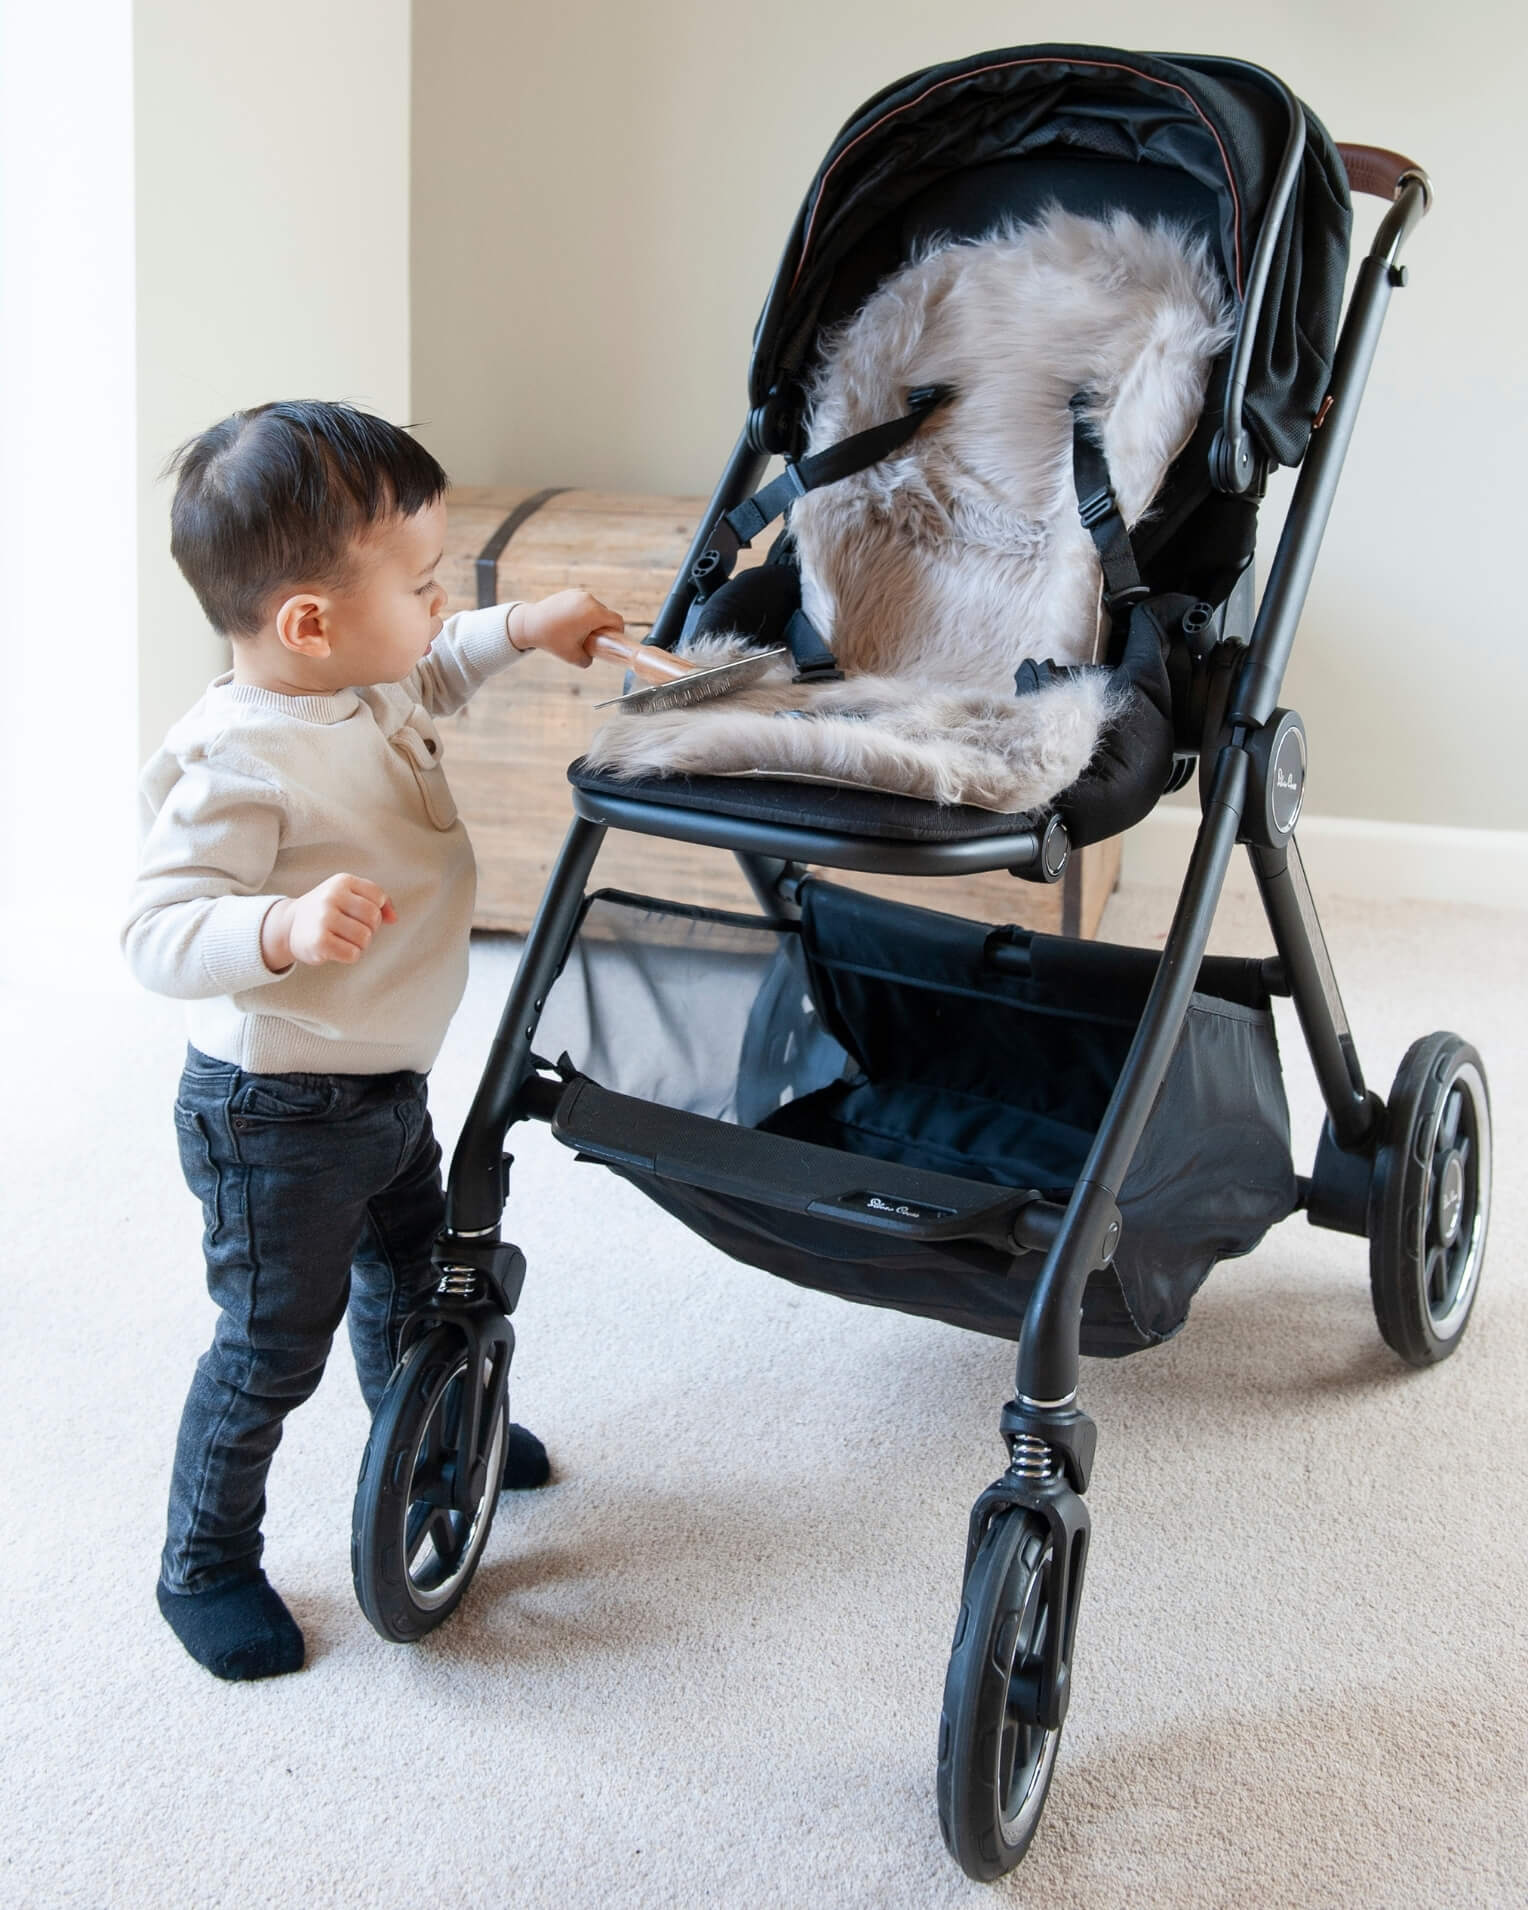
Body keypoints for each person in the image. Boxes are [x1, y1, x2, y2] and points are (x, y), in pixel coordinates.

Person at [123, 400, 622, 1681]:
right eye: (420, 580)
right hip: (275, 1114)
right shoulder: (235, 758)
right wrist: (277, 927)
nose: (438, 600)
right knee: (268, 1345)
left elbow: (436, 658)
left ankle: (433, 1430)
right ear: (308, 621)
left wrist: (527, 622)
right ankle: (205, 1560)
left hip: (383, 1085)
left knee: (417, 1280)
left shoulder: (361, 670)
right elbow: (158, 932)